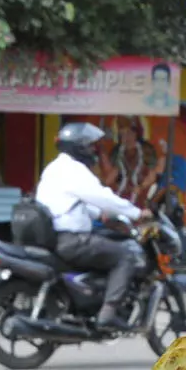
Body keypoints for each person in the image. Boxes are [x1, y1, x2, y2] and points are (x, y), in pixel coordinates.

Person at [35, 121, 145, 329]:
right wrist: (137, 213)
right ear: (78, 147)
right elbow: (102, 196)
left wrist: (100, 215)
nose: (93, 150)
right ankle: (108, 313)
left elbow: (72, 203)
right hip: (72, 240)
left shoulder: (55, 168)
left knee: (105, 242)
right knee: (124, 256)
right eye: (89, 146)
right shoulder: (74, 170)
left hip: (57, 236)